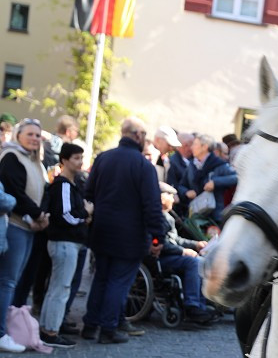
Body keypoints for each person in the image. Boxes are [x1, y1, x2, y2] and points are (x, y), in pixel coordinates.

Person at [82, 116, 165, 344]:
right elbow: (152, 206)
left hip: (102, 230)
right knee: (118, 282)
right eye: (144, 136)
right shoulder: (143, 166)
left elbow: (88, 193)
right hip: (130, 235)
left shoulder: (103, 158)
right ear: (137, 135)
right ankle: (108, 328)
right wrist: (158, 237)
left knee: (101, 278)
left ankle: (91, 325)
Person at [0, 118, 49, 353]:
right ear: (18, 135)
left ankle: (8, 327)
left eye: (38, 135)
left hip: (29, 226)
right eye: (30, 134)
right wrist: (37, 214)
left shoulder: (34, 160)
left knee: (14, 280)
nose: (34, 139)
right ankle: (1, 333)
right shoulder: (11, 156)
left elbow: (41, 190)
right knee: (7, 281)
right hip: (16, 226)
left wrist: (41, 216)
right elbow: (14, 191)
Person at [38, 142, 92, 348]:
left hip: (68, 242)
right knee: (60, 288)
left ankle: (47, 328)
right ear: (64, 160)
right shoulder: (63, 185)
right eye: (76, 158)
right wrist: (86, 214)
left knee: (57, 287)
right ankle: (50, 331)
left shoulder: (73, 184)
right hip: (64, 242)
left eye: (81, 157)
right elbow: (66, 215)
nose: (80, 162)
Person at [156, 183, 216, 324]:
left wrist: (195, 244)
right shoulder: (157, 217)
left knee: (200, 260)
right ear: (161, 198)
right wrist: (183, 251)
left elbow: (175, 239)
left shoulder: (166, 216)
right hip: (160, 259)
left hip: (170, 255)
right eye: (170, 195)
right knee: (193, 262)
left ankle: (201, 305)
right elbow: (161, 244)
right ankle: (192, 305)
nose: (174, 199)